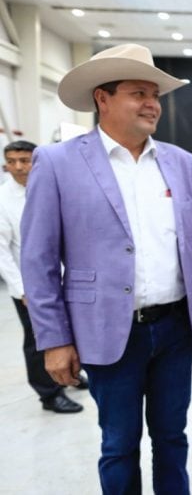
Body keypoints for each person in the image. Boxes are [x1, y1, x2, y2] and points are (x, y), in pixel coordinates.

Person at [20, 43, 192, 494]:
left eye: (155, 95)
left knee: (172, 438)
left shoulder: (182, 164)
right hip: (107, 330)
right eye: (138, 93)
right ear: (102, 98)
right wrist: (55, 339)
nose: (152, 104)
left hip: (173, 328)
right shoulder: (58, 162)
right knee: (119, 444)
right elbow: (38, 259)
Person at [0, 141, 86, 414]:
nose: (18, 167)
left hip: (62, 280)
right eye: (11, 161)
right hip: (29, 288)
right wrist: (22, 289)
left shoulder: (57, 188)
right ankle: (49, 394)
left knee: (71, 330)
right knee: (40, 339)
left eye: (24, 160)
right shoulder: (3, 200)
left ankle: (71, 374)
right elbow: (2, 253)